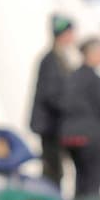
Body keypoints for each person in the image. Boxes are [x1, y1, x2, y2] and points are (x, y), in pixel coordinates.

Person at [60, 37, 100, 197]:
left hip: (71, 137)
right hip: (91, 137)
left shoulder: (71, 76)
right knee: (92, 182)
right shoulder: (95, 79)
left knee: (79, 179)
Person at [29, 13, 74, 188]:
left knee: (55, 169)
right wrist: (69, 106)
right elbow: (51, 94)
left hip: (54, 124)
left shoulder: (60, 58)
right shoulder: (51, 60)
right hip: (50, 125)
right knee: (52, 169)